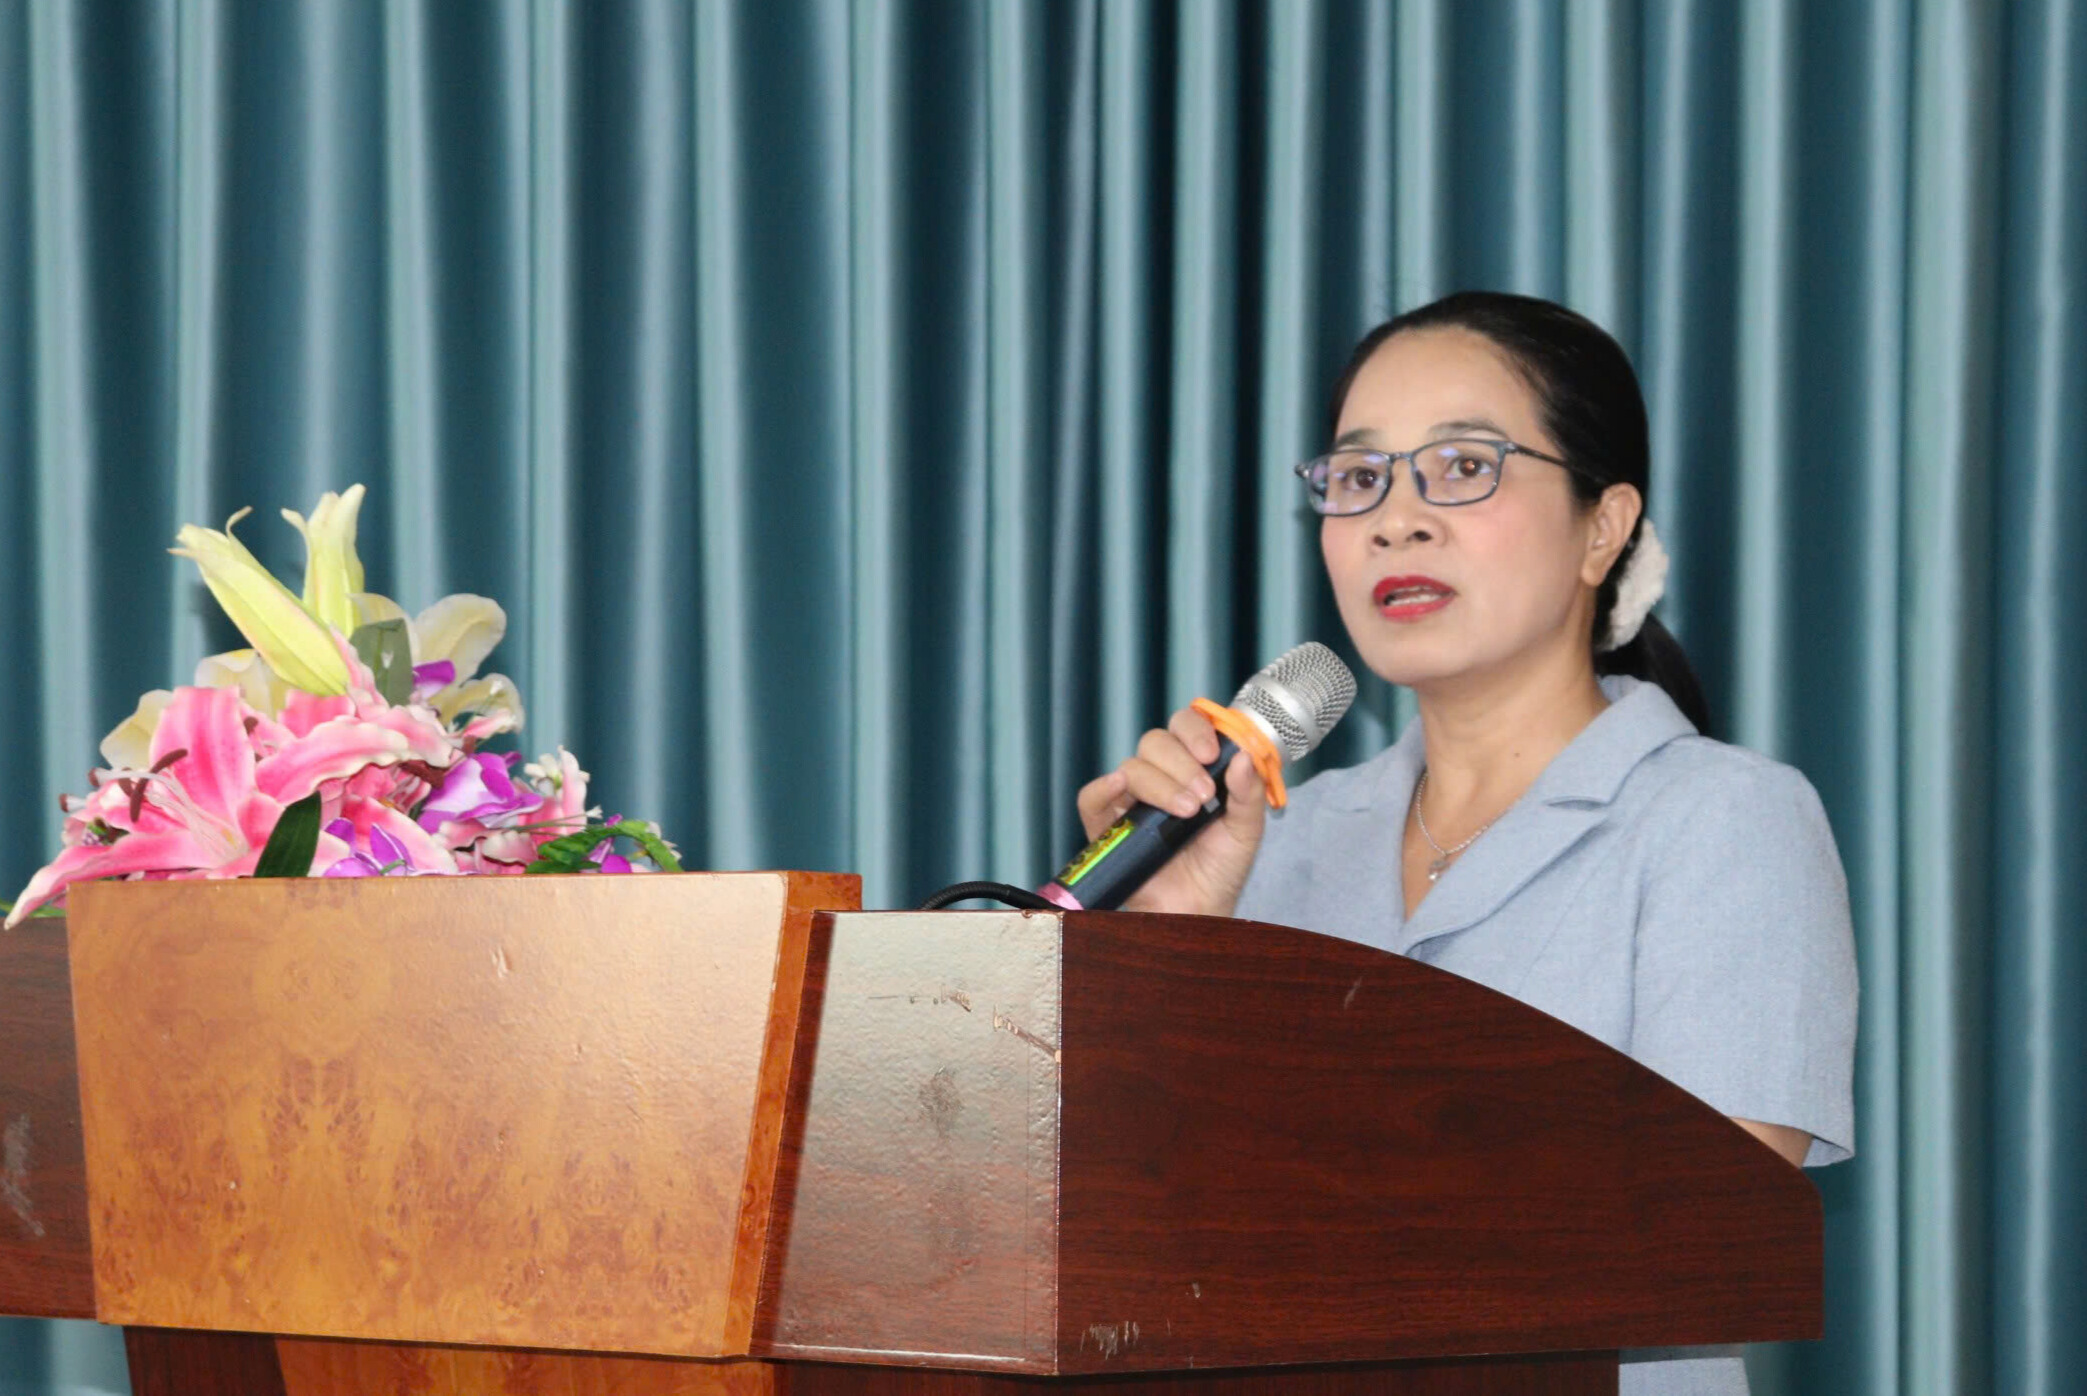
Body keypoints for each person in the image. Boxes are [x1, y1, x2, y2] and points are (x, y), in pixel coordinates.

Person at [1074, 290, 1857, 1396]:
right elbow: (1129, 1239)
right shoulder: (1277, 843)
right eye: (1358, 477)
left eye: (1462, 466)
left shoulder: (1723, 821)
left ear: (1602, 527)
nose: (1395, 519)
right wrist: (1163, 953)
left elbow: (1703, 1240)